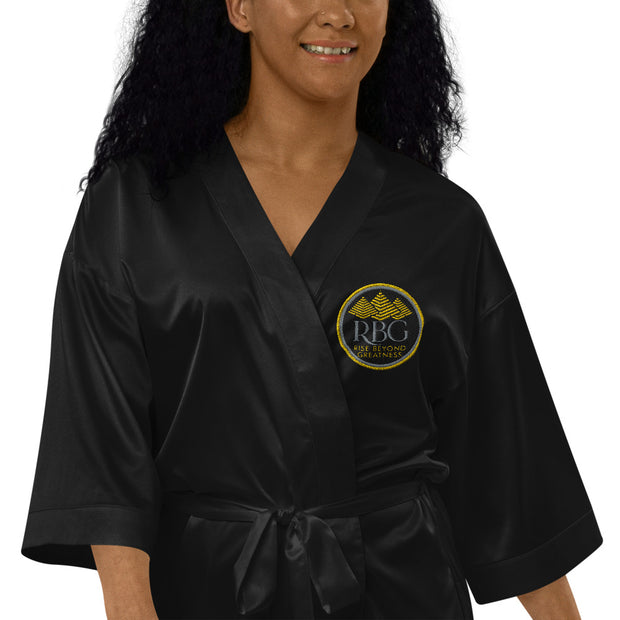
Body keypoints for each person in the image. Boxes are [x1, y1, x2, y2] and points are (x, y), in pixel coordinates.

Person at [21, 1, 603, 619]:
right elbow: (104, 453)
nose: (338, 13)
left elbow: (506, 462)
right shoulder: (133, 206)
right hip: (206, 589)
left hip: (405, 591)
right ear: (240, 8)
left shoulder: (443, 222)